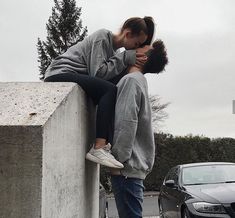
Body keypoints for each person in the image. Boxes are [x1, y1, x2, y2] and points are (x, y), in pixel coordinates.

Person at [44, 17, 155, 169]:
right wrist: (125, 58)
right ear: (128, 34)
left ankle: (105, 146)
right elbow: (97, 74)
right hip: (59, 72)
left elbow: (107, 78)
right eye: (136, 44)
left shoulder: (114, 51)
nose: (134, 50)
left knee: (111, 93)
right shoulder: (103, 37)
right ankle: (98, 147)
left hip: (74, 76)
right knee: (108, 90)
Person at [110, 40, 168, 218]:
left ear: (142, 58)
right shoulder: (138, 81)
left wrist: (117, 163)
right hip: (132, 170)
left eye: (141, 47)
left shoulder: (131, 81)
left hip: (126, 170)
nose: (135, 47)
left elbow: (126, 123)